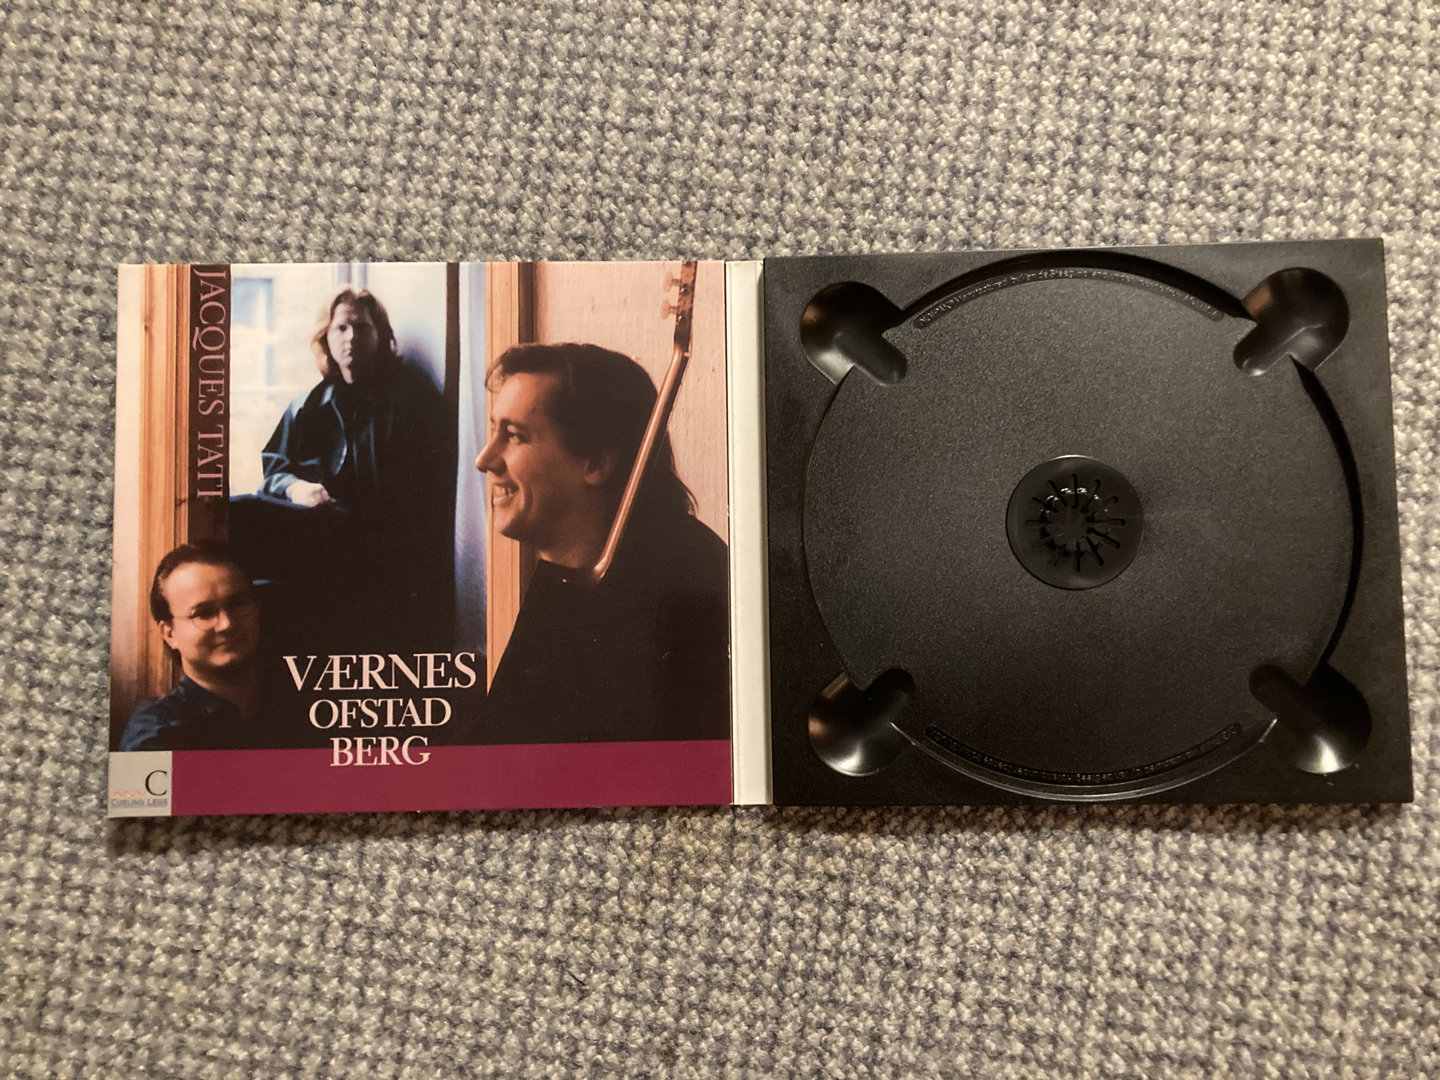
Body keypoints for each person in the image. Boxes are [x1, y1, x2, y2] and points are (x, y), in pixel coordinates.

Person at [475, 343, 730, 744]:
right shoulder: (576, 580)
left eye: (514, 436)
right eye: (495, 431)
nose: (485, 459)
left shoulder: (682, 588)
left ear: (595, 463)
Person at [233, 286, 453, 647]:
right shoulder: (309, 405)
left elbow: (427, 495)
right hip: (319, 535)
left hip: (379, 548)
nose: (351, 337)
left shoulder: (409, 398)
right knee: (235, 511)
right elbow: (274, 471)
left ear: (381, 336)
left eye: (362, 327)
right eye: (341, 328)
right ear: (326, 337)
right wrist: (297, 488)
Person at [120, 543, 266, 751]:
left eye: (237, 604)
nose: (227, 624)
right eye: (204, 613)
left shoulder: (298, 704)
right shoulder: (159, 732)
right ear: (170, 634)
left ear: (257, 608)